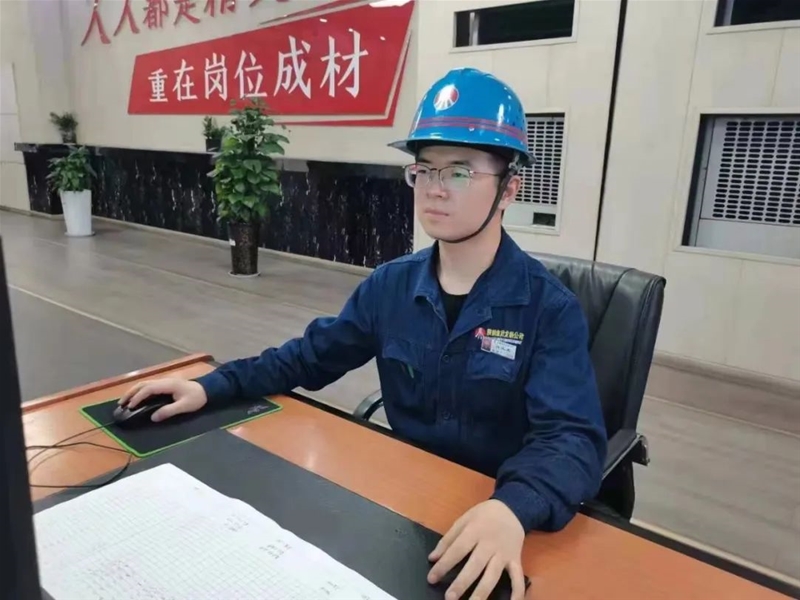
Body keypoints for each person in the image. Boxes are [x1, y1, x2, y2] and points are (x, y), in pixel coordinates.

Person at [120, 67, 607, 600]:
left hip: (501, 522)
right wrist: (212, 385)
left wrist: (513, 507)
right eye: (424, 170)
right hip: (405, 509)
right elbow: (308, 358)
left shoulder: (548, 308)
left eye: (460, 172)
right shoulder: (390, 287)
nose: (435, 189)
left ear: (509, 188)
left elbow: (573, 439)